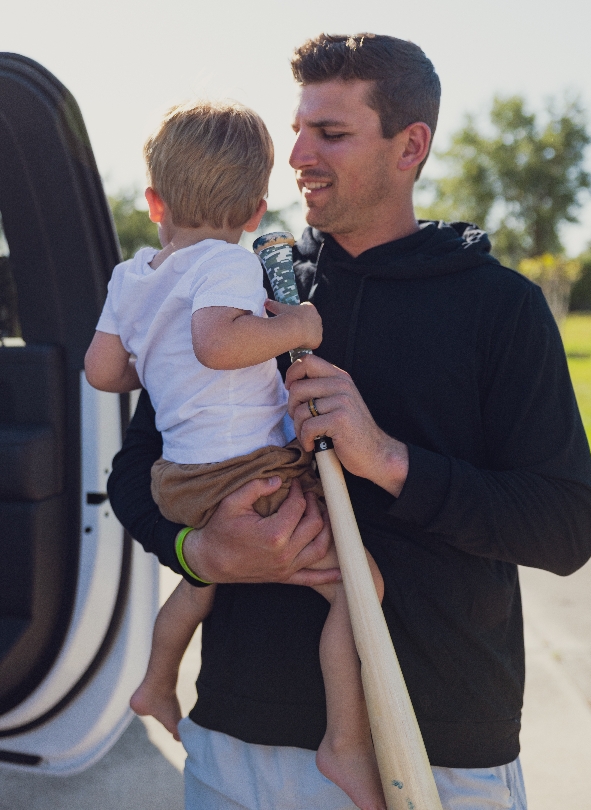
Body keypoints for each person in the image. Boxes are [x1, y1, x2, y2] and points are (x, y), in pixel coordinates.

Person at [107, 34, 591, 810]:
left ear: (411, 145)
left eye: (330, 133)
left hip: (436, 756)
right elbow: (135, 473)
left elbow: (566, 527)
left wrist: (390, 459)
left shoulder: (497, 306)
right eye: (298, 127)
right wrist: (200, 550)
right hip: (236, 749)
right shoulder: (241, 283)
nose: (297, 153)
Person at [86, 99, 387, 809]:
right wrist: (301, 325)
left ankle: (157, 684)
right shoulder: (227, 265)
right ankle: (343, 744)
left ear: (154, 198)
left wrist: (150, 359)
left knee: (201, 580)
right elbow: (218, 344)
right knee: (359, 586)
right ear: (256, 212)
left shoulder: (133, 276)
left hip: (178, 481)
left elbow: (103, 372)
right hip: (244, 471)